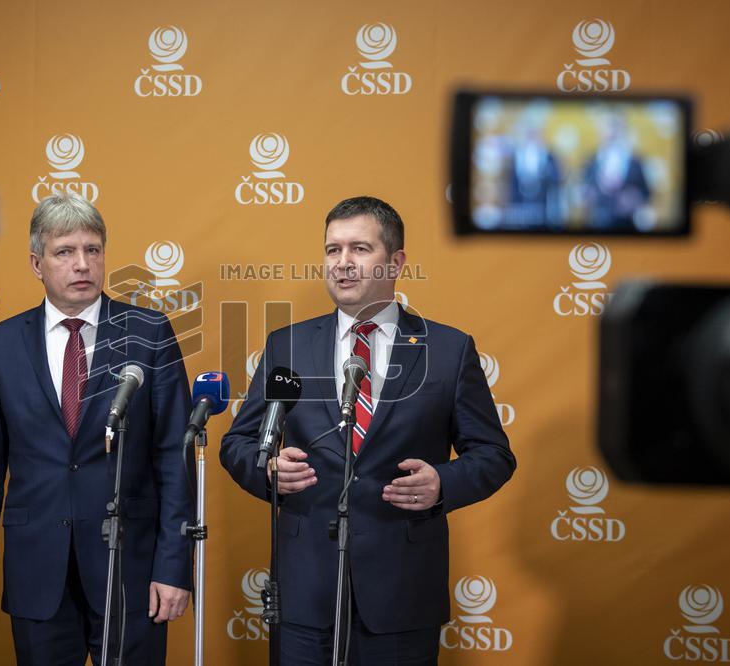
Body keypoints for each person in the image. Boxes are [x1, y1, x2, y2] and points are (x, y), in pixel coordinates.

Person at [220, 196, 516, 665]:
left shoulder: (448, 349)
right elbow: (239, 442)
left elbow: (493, 455)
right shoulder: (288, 345)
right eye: (332, 250)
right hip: (305, 590)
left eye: (359, 249)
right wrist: (268, 470)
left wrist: (443, 483)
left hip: (401, 591)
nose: (342, 263)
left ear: (395, 262)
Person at [0, 193, 194, 665]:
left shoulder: (149, 333)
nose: (82, 264)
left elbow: (175, 458)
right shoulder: (1, 344)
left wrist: (174, 566)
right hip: (36, 573)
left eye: (93, 250)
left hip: (129, 570)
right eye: (65, 251)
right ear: (36, 263)